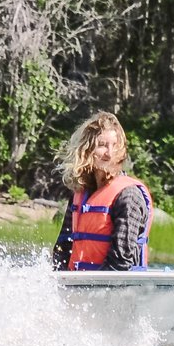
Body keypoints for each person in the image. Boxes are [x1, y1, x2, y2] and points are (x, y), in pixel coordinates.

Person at [52, 111, 153, 271]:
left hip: (117, 283)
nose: (109, 154)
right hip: (82, 281)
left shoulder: (129, 196)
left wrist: (90, 285)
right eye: (102, 145)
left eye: (115, 146)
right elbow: (62, 250)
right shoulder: (80, 195)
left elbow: (120, 262)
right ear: (87, 150)